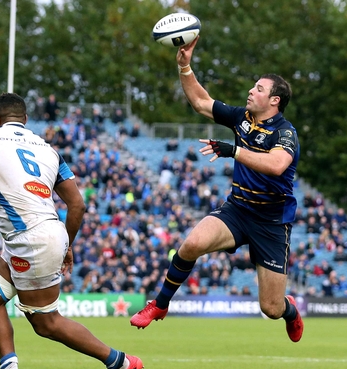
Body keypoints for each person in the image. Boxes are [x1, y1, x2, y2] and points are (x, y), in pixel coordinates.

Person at [0, 93, 142, 369]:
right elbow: (77, 204)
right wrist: (66, 243)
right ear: (25, 121)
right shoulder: (48, 150)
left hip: (28, 237)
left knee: (46, 323)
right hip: (45, 231)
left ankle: (122, 364)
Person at [130, 36, 304, 342]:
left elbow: (277, 165)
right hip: (237, 210)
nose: (251, 90)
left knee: (271, 308)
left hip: (272, 222)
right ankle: (160, 304)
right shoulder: (242, 118)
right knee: (192, 243)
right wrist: (185, 66)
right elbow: (200, 101)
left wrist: (233, 150)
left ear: (274, 100)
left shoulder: (285, 132)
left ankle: (290, 311)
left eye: (259, 89)